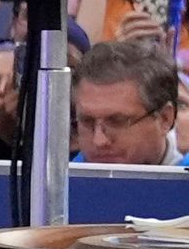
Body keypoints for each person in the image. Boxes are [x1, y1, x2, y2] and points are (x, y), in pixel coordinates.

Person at [72, 34, 181, 167]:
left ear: (165, 119)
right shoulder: (55, 183)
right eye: (87, 122)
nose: (99, 141)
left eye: (117, 121)